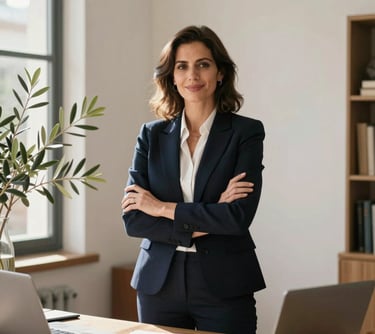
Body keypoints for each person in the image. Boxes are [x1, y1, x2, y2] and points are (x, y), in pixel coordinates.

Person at [121, 25, 266, 334]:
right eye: (182, 66)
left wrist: (160, 208)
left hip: (225, 284)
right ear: (172, 77)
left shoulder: (246, 133)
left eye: (203, 64)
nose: (193, 75)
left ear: (220, 73)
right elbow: (134, 219)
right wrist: (211, 216)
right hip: (159, 283)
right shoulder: (151, 135)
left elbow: (237, 218)